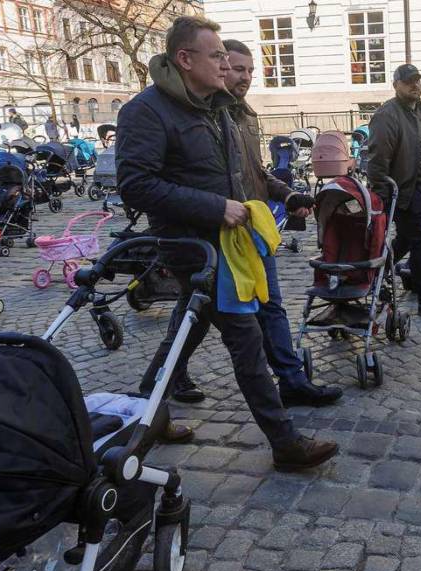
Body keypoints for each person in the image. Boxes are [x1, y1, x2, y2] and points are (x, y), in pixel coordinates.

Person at [116, 15, 338, 470]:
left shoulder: (219, 108)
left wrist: (281, 196)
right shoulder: (146, 110)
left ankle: (144, 412)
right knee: (245, 338)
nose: (225, 64)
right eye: (216, 55)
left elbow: (247, 173)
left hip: (236, 242)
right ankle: (285, 443)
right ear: (185, 58)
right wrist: (215, 208)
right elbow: (136, 185)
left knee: (188, 328)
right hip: (196, 248)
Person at [218, 38, 344, 407]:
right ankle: (161, 380)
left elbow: (255, 173)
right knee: (197, 316)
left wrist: (287, 195)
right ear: (220, 67)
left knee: (271, 305)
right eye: (237, 69)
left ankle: (291, 381)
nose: (245, 77)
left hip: (251, 228)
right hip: (219, 233)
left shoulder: (244, 113)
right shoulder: (210, 115)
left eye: (250, 70)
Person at [367, 64, 421, 321]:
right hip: (404, 189)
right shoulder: (387, 115)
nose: (415, 85)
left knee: (405, 239)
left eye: (417, 80)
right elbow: (377, 160)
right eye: (408, 82)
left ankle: (376, 273)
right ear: (396, 85)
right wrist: (384, 195)